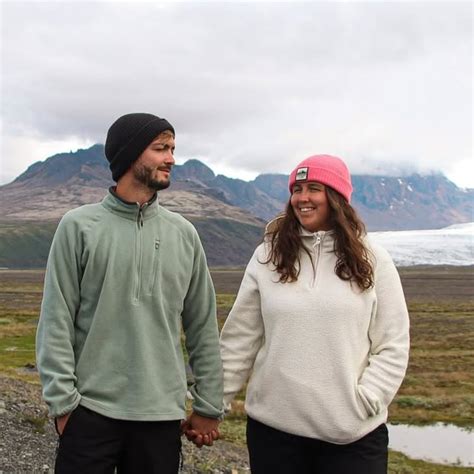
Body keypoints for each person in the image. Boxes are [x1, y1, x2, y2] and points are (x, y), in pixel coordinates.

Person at [36, 112, 223, 474]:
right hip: (89, 413)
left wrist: (209, 405)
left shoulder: (184, 234)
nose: (171, 158)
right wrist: (63, 406)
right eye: (161, 148)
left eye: (172, 149)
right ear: (131, 153)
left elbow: (203, 326)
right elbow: (56, 320)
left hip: (161, 417)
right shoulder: (78, 227)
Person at [220, 154, 410, 473]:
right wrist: (214, 405)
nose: (302, 198)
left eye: (313, 189)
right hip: (273, 435)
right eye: (297, 189)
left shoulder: (373, 259)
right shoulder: (268, 256)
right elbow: (240, 338)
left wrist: (367, 400)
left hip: (352, 438)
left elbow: (393, 343)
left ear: (336, 197)